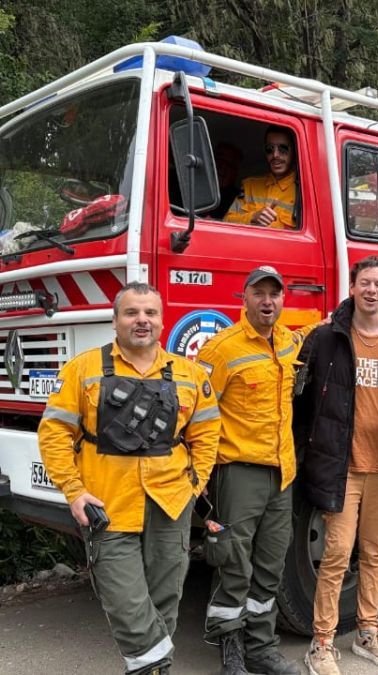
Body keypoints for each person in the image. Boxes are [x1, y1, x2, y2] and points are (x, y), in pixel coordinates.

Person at [38, 282, 220, 675]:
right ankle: (155, 668)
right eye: (132, 313)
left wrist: (192, 485)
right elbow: (54, 434)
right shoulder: (82, 370)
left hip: (170, 507)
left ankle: (153, 671)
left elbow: (207, 436)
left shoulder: (189, 375)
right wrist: (74, 491)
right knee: (127, 603)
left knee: (165, 601)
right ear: (115, 321)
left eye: (150, 313)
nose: (142, 321)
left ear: (162, 320)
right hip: (107, 507)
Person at [296, 255, 378, 675]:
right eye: (364, 282)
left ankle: (368, 632)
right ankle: (321, 643)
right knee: (336, 553)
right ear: (352, 287)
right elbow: (299, 395)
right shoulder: (328, 337)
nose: (372, 290)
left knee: (373, 553)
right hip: (342, 465)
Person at [197, 266, 306, 675]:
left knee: (270, 565)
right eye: (259, 293)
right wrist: (202, 474)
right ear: (243, 298)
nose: (267, 301)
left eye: (274, 295)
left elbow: (314, 334)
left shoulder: (289, 343)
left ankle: (262, 647)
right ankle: (231, 651)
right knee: (233, 563)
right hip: (238, 472)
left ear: (283, 300)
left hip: (282, 473)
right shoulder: (220, 349)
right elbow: (199, 414)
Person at [224, 126, 297, 229]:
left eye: (283, 148)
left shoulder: (304, 192)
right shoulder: (249, 185)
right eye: (269, 149)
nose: (275, 155)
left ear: (295, 151)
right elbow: (226, 222)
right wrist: (252, 217)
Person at [209, 142, 244, 220]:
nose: (223, 166)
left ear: (235, 172)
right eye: (220, 160)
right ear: (210, 162)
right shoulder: (187, 187)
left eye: (230, 164)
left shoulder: (239, 198)